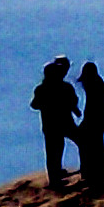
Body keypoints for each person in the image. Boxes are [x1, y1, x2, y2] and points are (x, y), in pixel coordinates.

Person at [30, 56, 80, 188]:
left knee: (54, 151)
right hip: (63, 123)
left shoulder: (42, 88)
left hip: (51, 125)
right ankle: (56, 178)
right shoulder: (63, 87)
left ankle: (55, 177)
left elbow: (35, 104)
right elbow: (73, 101)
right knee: (60, 149)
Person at [76, 60, 104, 191]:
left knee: (92, 147)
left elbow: (93, 107)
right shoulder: (97, 84)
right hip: (96, 120)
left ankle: (92, 174)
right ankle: (94, 173)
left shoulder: (95, 85)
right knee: (95, 147)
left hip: (94, 120)